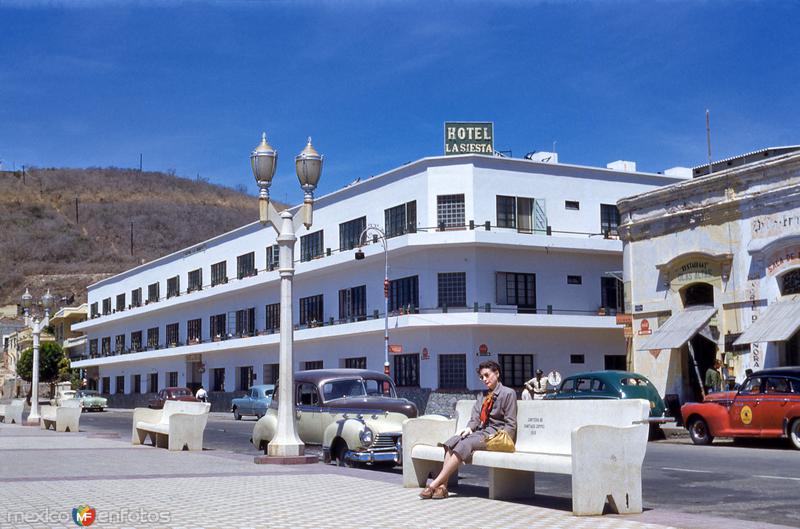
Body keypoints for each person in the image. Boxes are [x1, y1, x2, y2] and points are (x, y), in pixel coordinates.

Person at [419, 360, 517, 500]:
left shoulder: (508, 393)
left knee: (466, 444)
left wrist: (503, 439)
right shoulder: (482, 396)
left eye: (487, 375)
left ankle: (433, 485)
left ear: (497, 373)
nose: (484, 379)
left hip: (496, 436)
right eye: (482, 377)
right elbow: (475, 419)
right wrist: (468, 429)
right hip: (481, 433)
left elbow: (511, 423)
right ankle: (443, 487)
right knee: (451, 442)